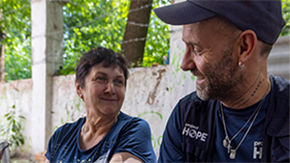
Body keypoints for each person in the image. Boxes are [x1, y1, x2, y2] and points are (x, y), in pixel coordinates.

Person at [154, 0, 289, 162]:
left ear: (244, 47)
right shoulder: (187, 116)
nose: (184, 64)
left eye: (197, 50)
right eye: (186, 47)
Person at [45, 47, 156, 163]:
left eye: (118, 82)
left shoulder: (133, 130)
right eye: (101, 79)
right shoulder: (62, 136)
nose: (110, 90)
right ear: (79, 89)